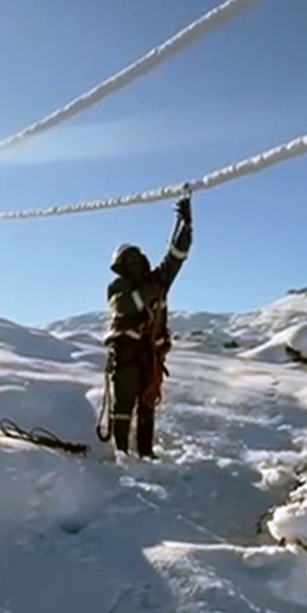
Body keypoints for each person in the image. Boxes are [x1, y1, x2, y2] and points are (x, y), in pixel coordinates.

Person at [104, 193, 193, 457]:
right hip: (126, 353)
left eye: (136, 259)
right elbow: (126, 305)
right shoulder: (118, 287)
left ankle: (145, 453)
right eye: (129, 261)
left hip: (151, 354)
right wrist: (152, 289)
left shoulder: (158, 281)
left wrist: (185, 226)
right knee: (123, 404)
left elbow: (176, 256)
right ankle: (119, 453)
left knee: (147, 403)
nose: (134, 264)